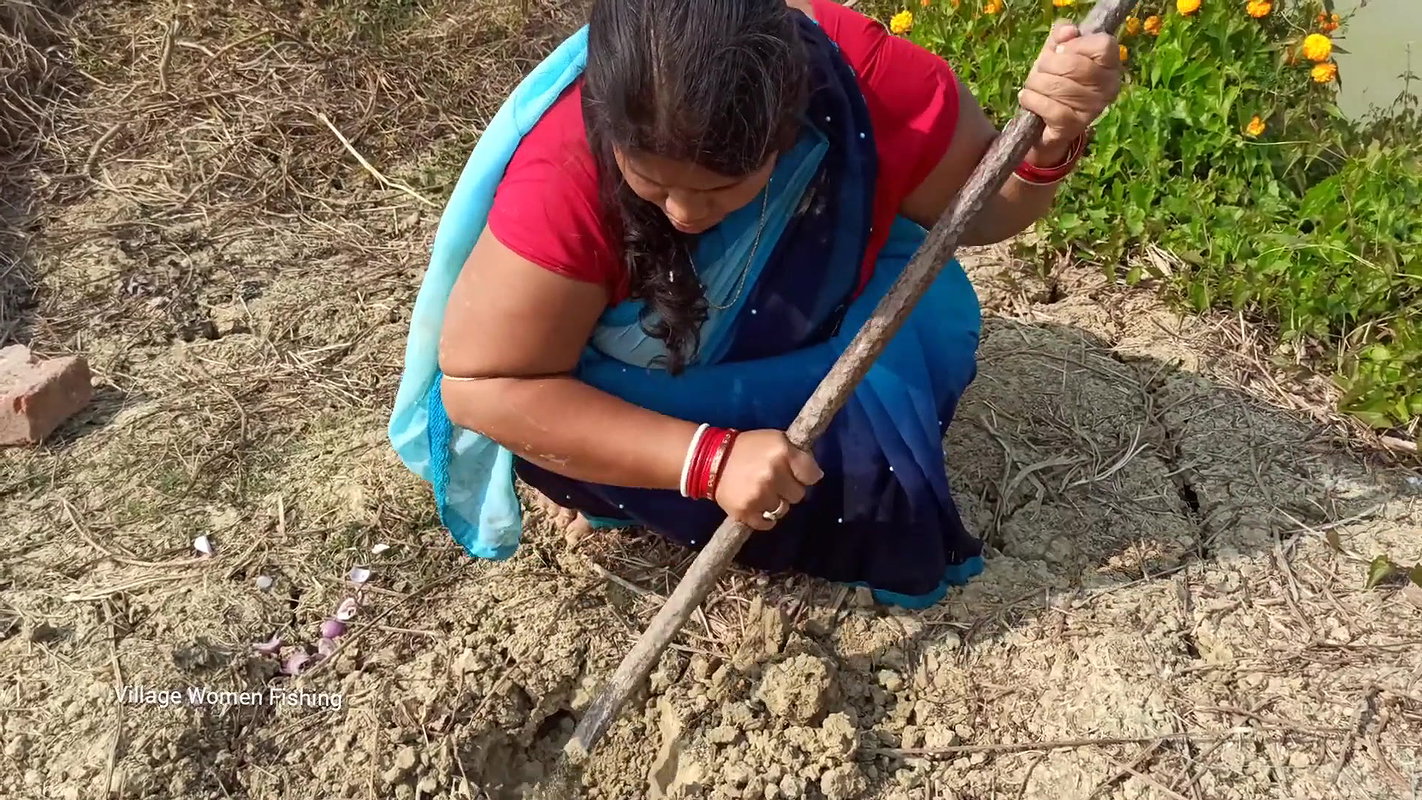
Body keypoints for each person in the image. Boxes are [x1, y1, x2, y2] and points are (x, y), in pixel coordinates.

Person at [389, 0, 1121, 608]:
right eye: (653, 183)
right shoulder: (565, 171)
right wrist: (707, 461)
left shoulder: (853, 77)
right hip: (637, 395)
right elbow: (484, 385)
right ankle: (623, 489)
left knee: (921, 325)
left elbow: (982, 211)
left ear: (793, 119)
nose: (683, 213)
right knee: (568, 431)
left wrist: (1048, 140)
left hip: (801, 333)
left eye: (721, 188)